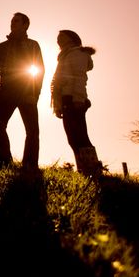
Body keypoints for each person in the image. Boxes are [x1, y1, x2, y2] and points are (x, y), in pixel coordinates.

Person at [0, 12, 45, 169]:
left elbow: (39, 69)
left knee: (32, 131)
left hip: (27, 91)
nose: (12, 23)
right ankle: (3, 160)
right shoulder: (2, 46)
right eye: (11, 21)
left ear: (25, 25)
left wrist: (35, 93)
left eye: (16, 21)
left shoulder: (33, 45)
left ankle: (30, 165)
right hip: (6, 91)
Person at [51, 29, 101, 178]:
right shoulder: (65, 56)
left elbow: (78, 78)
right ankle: (83, 170)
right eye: (57, 37)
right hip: (66, 99)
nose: (58, 40)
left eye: (61, 37)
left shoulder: (77, 54)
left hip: (74, 99)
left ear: (72, 39)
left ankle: (93, 171)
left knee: (80, 137)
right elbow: (59, 82)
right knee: (72, 138)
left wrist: (78, 100)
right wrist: (58, 105)